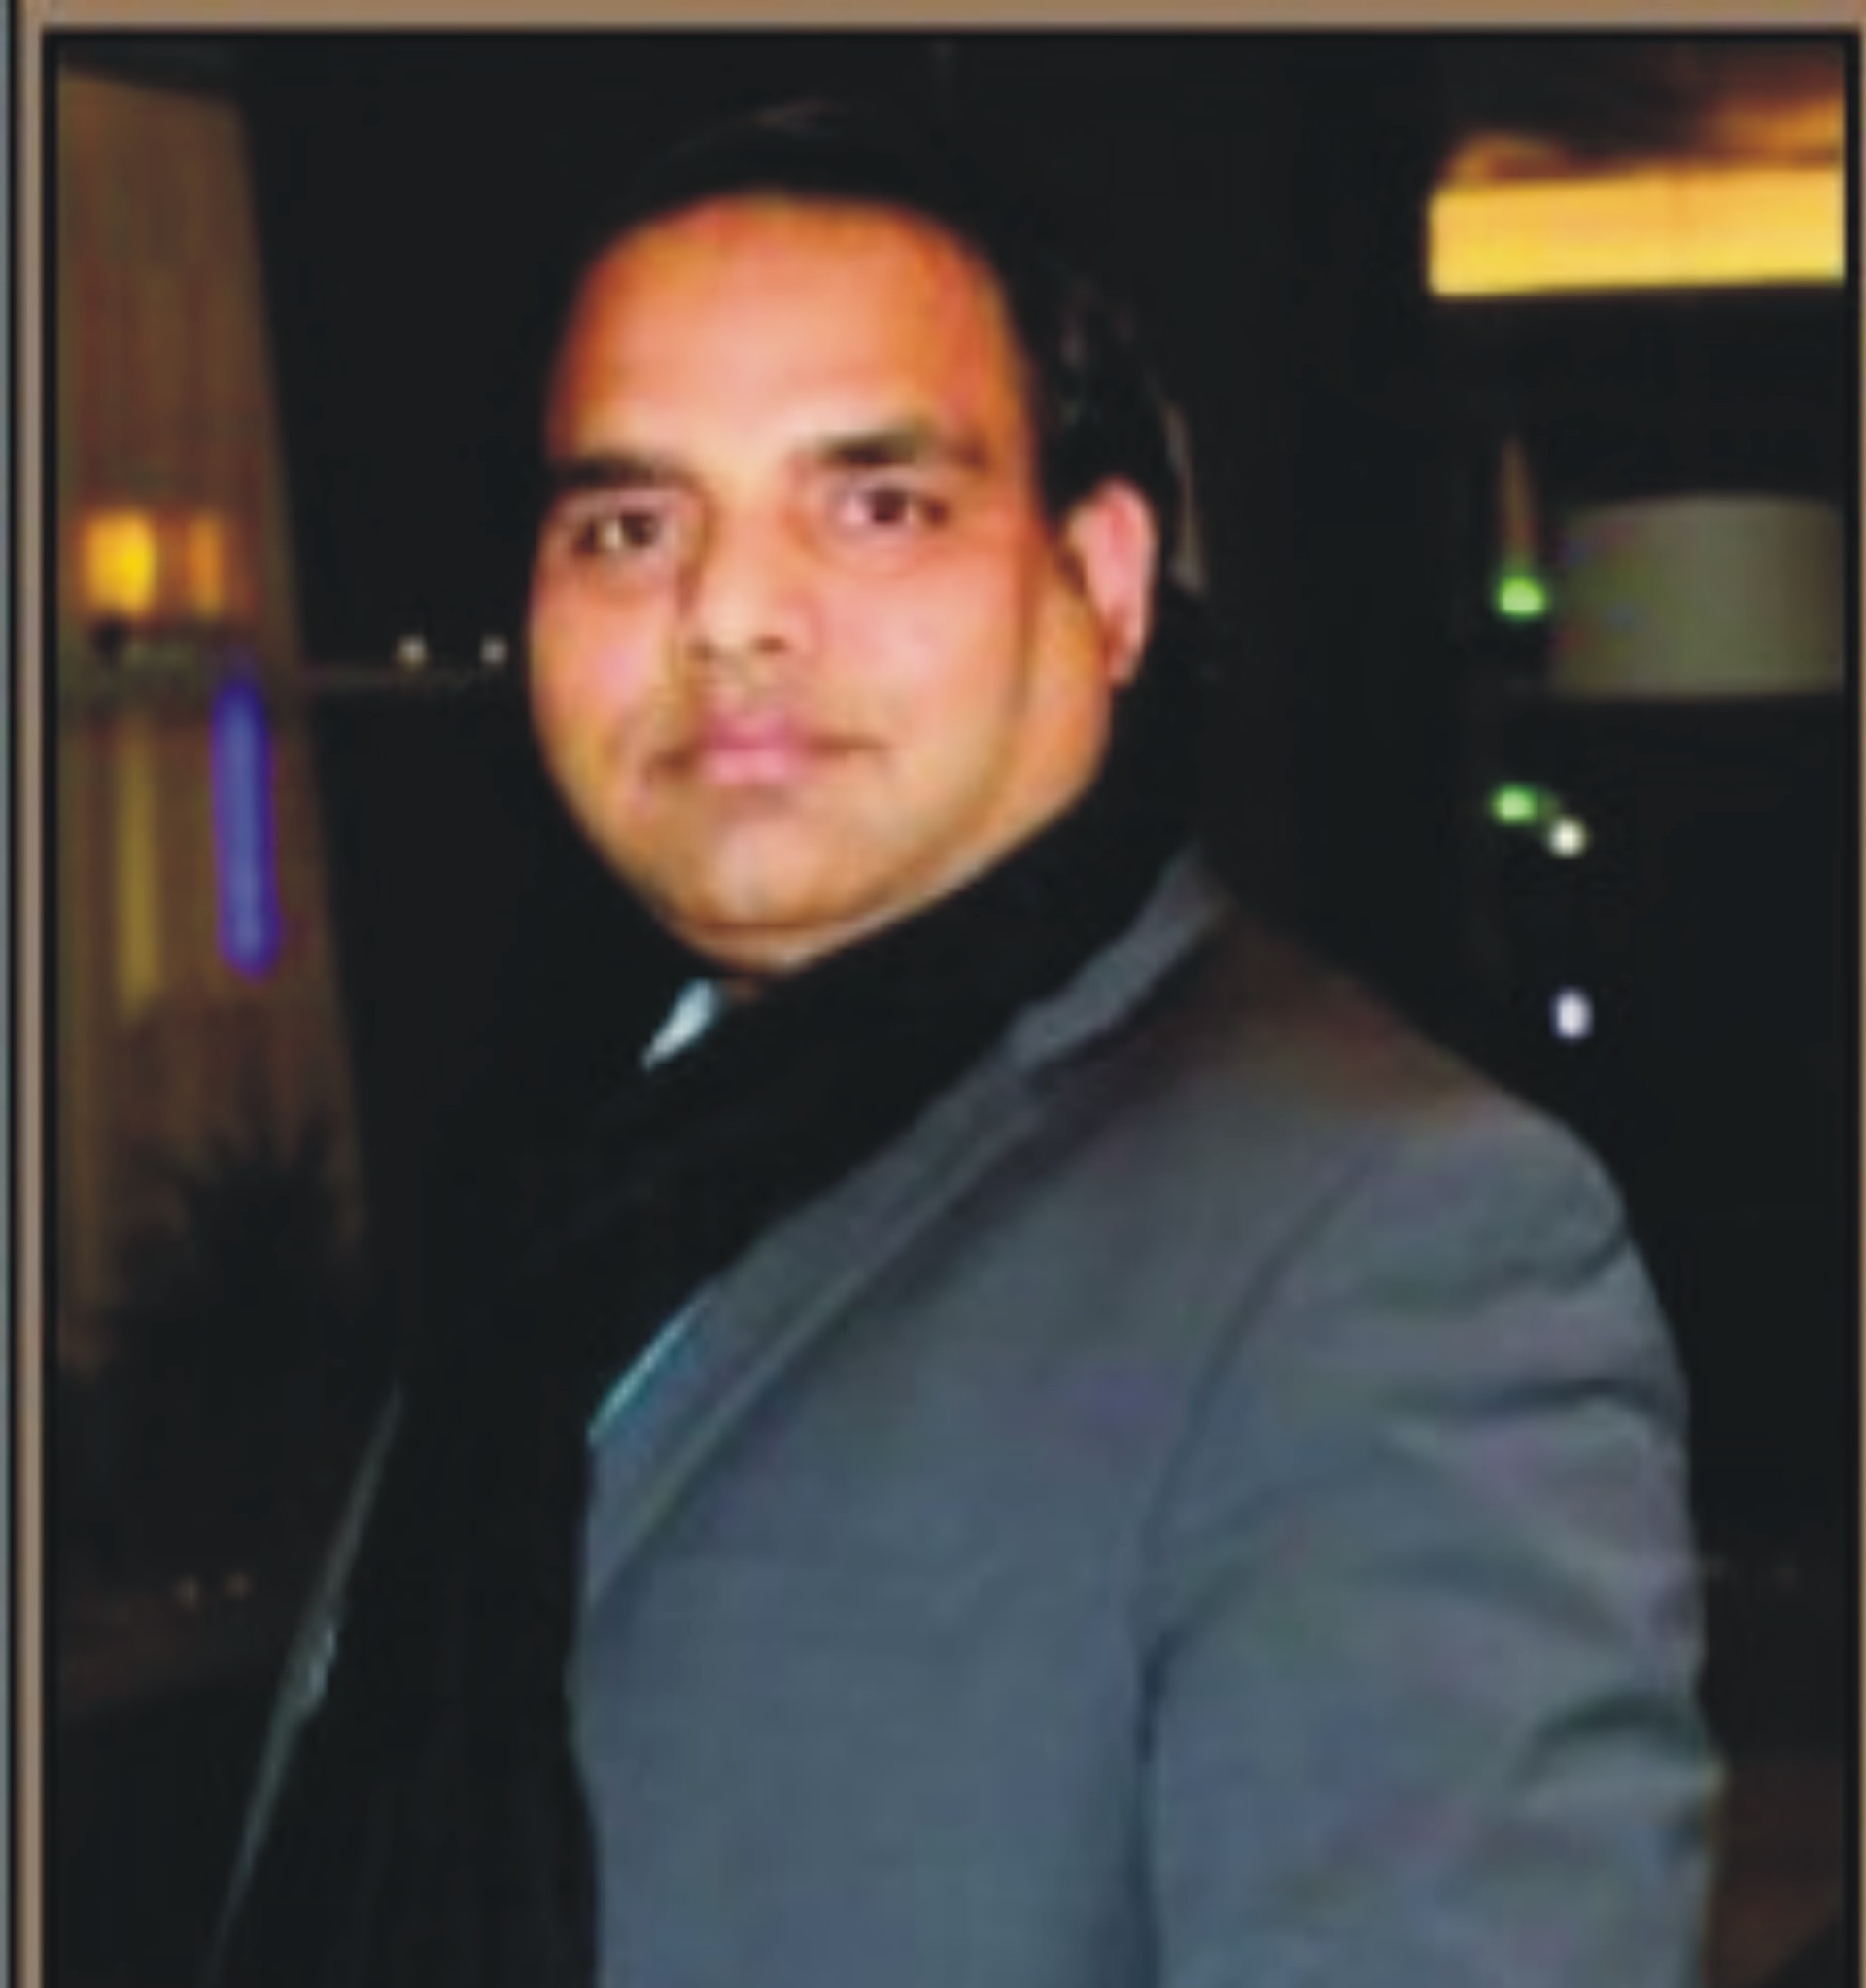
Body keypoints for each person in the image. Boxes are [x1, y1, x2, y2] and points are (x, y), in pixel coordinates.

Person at [204, 97, 1717, 1988]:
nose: (728, 616)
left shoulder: (1388, 1242)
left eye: (877, 505)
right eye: (629, 525)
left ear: (1103, 581)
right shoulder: (570, 1184)